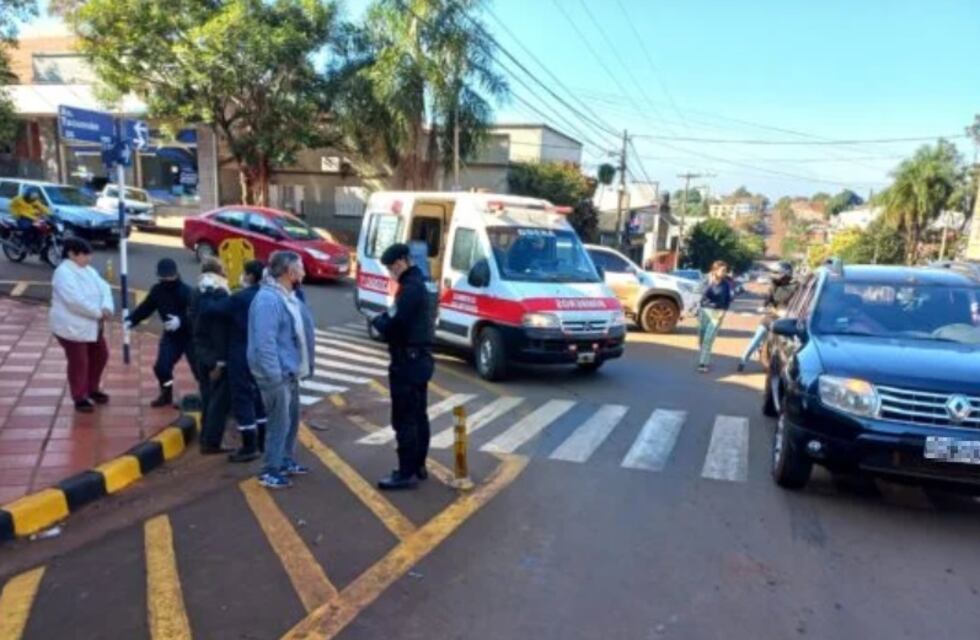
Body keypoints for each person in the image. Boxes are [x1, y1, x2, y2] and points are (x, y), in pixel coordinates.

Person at [247, 251, 315, 489]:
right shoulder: (268, 300)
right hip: (276, 374)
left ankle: (285, 461)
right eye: (301, 268)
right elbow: (264, 342)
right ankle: (270, 470)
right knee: (279, 423)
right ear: (290, 272)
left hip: (290, 371)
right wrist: (274, 375)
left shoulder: (289, 296)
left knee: (291, 420)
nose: (304, 272)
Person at [371, 243, 434, 491]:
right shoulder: (420, 283)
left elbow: (394, 322)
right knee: (419, 415)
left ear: (400, 263)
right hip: (419, 359)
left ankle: (406, 472)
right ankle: (418, 466)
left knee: (405, 417)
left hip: (407, 362)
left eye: (391, 268)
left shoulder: (410, 288)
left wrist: (379, 321)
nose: (391, 273)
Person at [49, 237, 114, 413]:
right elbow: (74, 301)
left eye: (89, 255)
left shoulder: (89, 270)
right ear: (71, 254)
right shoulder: (63, 273)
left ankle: (92, 388)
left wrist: (106, 307)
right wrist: (98, 313)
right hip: (71, 327)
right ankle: (79, 396)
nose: (88, 258)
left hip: (92, 325)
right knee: (79, 362)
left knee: (101, 355)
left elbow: (105, 288)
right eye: (84, 255)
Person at [214, 259, 267, 463]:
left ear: (250, 276)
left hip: (241, 353)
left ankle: (249, 446)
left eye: (244, 273)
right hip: (261, 354)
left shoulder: (240, 298)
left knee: (242, 398)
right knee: (259, 397)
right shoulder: (268, 296)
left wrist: (217, 291)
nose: (242, 277)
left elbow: (213, 310)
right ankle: (262, 441)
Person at [125, 258, 195, 407]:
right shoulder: (157, 291)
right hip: (171, 336)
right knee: (162, 367)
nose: (167, 279)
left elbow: (195, 313)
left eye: (170, 276)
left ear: (176, 274)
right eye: (164, 277)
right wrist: (131, 320)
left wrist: (181, 321)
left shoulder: (187, 291)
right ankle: (166, 392)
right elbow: (146, 307)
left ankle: (206, 398)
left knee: (199, 370)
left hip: (191, 336)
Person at [191, 257, 232, 454]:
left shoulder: (197, 291)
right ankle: (211, 441)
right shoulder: (220, 292)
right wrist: (220, 361)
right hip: (215, 355)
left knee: (207, 394)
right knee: (218, 400)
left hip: (200, 350)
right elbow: (220, 330)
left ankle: (205, 435)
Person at [737, 263, 798, 372]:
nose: (774, 275)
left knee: (792, 342)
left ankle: (790, 366)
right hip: (771, 316)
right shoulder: (774, 285)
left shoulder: (796, 286)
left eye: (776, 273)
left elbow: (797, 303)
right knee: (757, 337)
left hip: (786, 319)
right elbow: (768, 300)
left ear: (786, 273)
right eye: (773, 273)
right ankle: (743, 361)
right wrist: (765, 306)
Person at [696, 260, 735, 373]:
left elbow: (728, 299)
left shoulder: (726, 284)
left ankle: (703, 363)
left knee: (708, 339)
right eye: (722, 270)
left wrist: (724, 311)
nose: (724, 273)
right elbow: (702, 294)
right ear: (715, 270)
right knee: (702, 338)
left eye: (725, 270)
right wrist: (710, 284)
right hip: (705, 311)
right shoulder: (706, 281)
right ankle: (704, 354)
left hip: (717, 313)